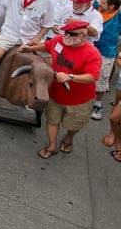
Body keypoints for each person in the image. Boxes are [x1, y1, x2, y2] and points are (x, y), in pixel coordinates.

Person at [17, 19, 101, 158]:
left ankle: (69, 138)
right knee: (52, 120)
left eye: (73, 34)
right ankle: (52, 145)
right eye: (66, 32)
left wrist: (70, 77)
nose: (68, 36)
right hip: (55, 94)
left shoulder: (92, 53)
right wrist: (29, 48)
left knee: (74, 125)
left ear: (84, 36)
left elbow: (93, 76)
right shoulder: (58, 41)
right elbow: (47, 45)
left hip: (79, 99)